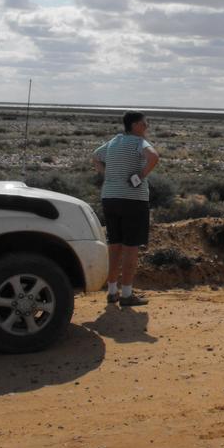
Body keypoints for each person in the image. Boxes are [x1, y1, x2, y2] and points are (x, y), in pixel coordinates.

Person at [92, 111, 159, 307]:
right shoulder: (139, 143)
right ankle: (127, 294)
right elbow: (154, 157)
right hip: (133, 200)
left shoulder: (114, 141)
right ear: (136, 125)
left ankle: (112, 291)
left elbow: (95, 157)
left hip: (110, 197)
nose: (147, 127)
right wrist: (140, 175)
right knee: (131, 247)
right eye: (145, 123)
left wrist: (108, 175)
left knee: (115, 244)